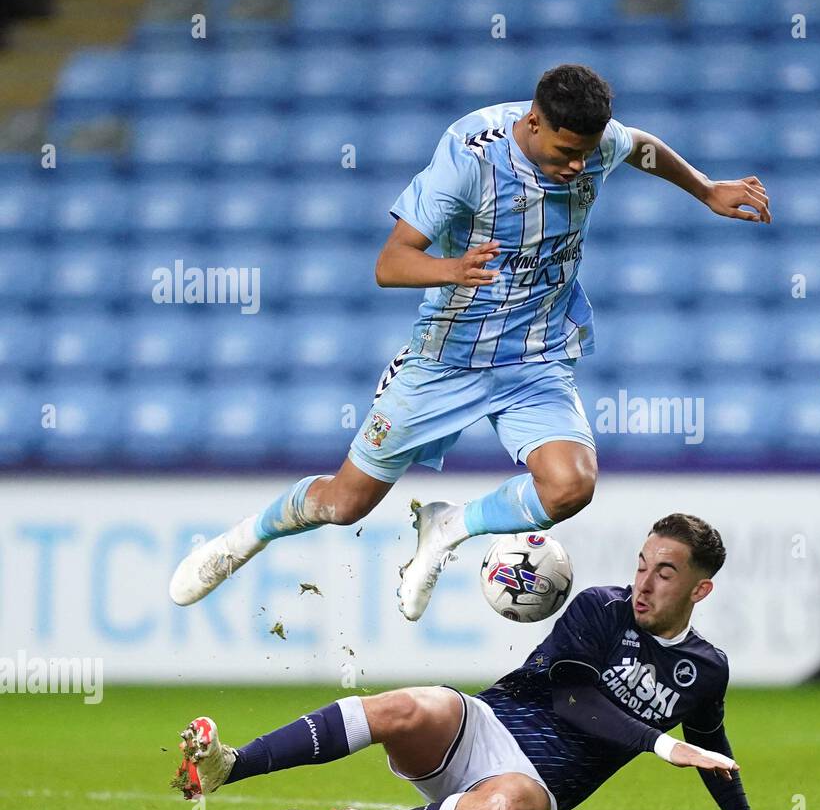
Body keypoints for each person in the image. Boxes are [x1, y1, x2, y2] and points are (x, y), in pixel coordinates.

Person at [169, 64, 770, 621]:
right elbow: (390, 263)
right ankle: (247, 536)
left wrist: (706, 189)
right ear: (533, 122)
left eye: (587, 157)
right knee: (344, 504)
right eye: (565, 154)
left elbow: (640, 146)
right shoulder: (468, 157)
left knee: (571, 486)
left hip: (536, 356)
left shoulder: (597, 142)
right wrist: (452, 269)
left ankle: (450, 526)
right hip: (446, 358)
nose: (576, 169)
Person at [173, 514, 799, 810]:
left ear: (700, 588)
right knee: (420, 704)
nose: (643, 582)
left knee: (507, 808)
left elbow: (713, 749)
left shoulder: (707, 669)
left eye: (664, 573)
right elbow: (575, 700)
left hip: (538, 787)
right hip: (487, 728)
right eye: (641, 565)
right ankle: (233, 764)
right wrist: (662, 744)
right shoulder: (599, 609)